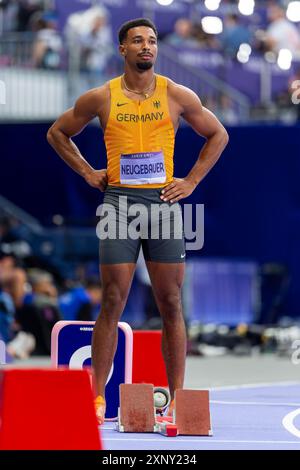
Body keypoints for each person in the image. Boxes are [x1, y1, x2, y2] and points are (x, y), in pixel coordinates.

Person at [47, 17, 229, 424]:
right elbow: (58, 132)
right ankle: (95, 401)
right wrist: (89, 173)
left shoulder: (177, 94)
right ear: (122, 50)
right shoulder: (102, 97)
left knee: (170, 302)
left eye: (151, 41)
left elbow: (218, 134)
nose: (146, 46)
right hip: (119, 206)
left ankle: (179, 400)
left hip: (164, 204)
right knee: (113, 300)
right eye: (137, 41)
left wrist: (192, 181)